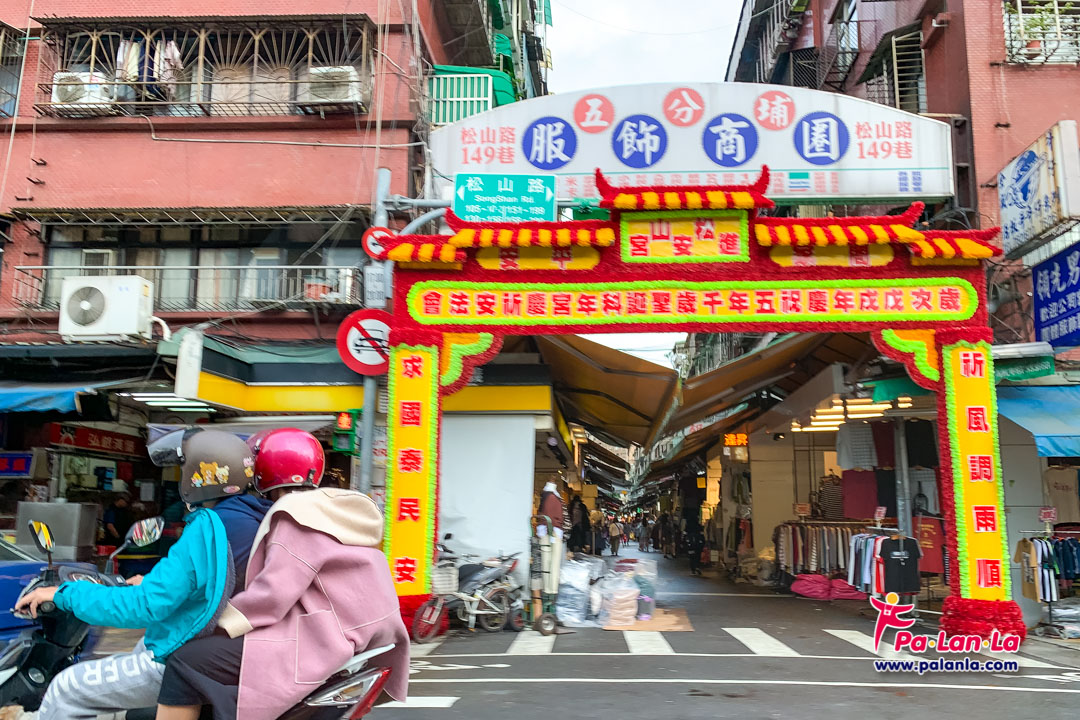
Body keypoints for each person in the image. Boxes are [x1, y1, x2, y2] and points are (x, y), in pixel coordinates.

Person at [154, 427, 409, 720]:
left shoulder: (294, 514)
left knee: (185, 661)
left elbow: (272, 596)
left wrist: (215, 623)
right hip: (363, 634)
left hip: (320, 641)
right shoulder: (333, 510)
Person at [16, 429, 272, 720]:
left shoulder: (208, 526)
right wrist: (151, 583)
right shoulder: (255, 517)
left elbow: (146, 605)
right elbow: (210, 584)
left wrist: (65, 594)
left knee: (66, 688)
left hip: (179, 653)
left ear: (198, 474)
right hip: (216, 648)